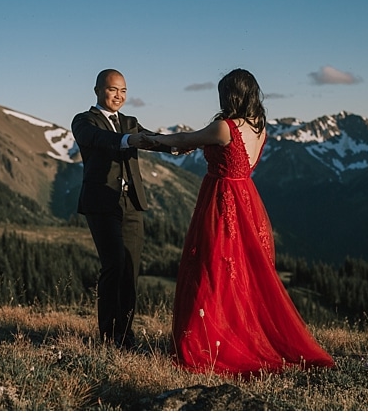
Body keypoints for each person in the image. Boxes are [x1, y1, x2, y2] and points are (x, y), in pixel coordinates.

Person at [144, 69, 335, 375]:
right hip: (248, 199)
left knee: (213, 271)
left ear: (231, 95)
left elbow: (183, 138)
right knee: (243, 275)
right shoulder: (260, 127)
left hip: (222, 199)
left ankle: (210, 342)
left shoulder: (225, 126)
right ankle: (237, 335)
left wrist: (147, 140)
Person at [71, 69, 163, 347]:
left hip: (132, 203)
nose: (119, 96)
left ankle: (126, 334)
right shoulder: (84, 121)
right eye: (113, 90)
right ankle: (108, 336)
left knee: (131, 269)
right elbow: (98, 139)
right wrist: (127, 141)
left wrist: (182, 144)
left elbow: (153, 139)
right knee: (114, 264)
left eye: (123, 91)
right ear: (98, 90)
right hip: (101, 202)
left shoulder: (130, 121)